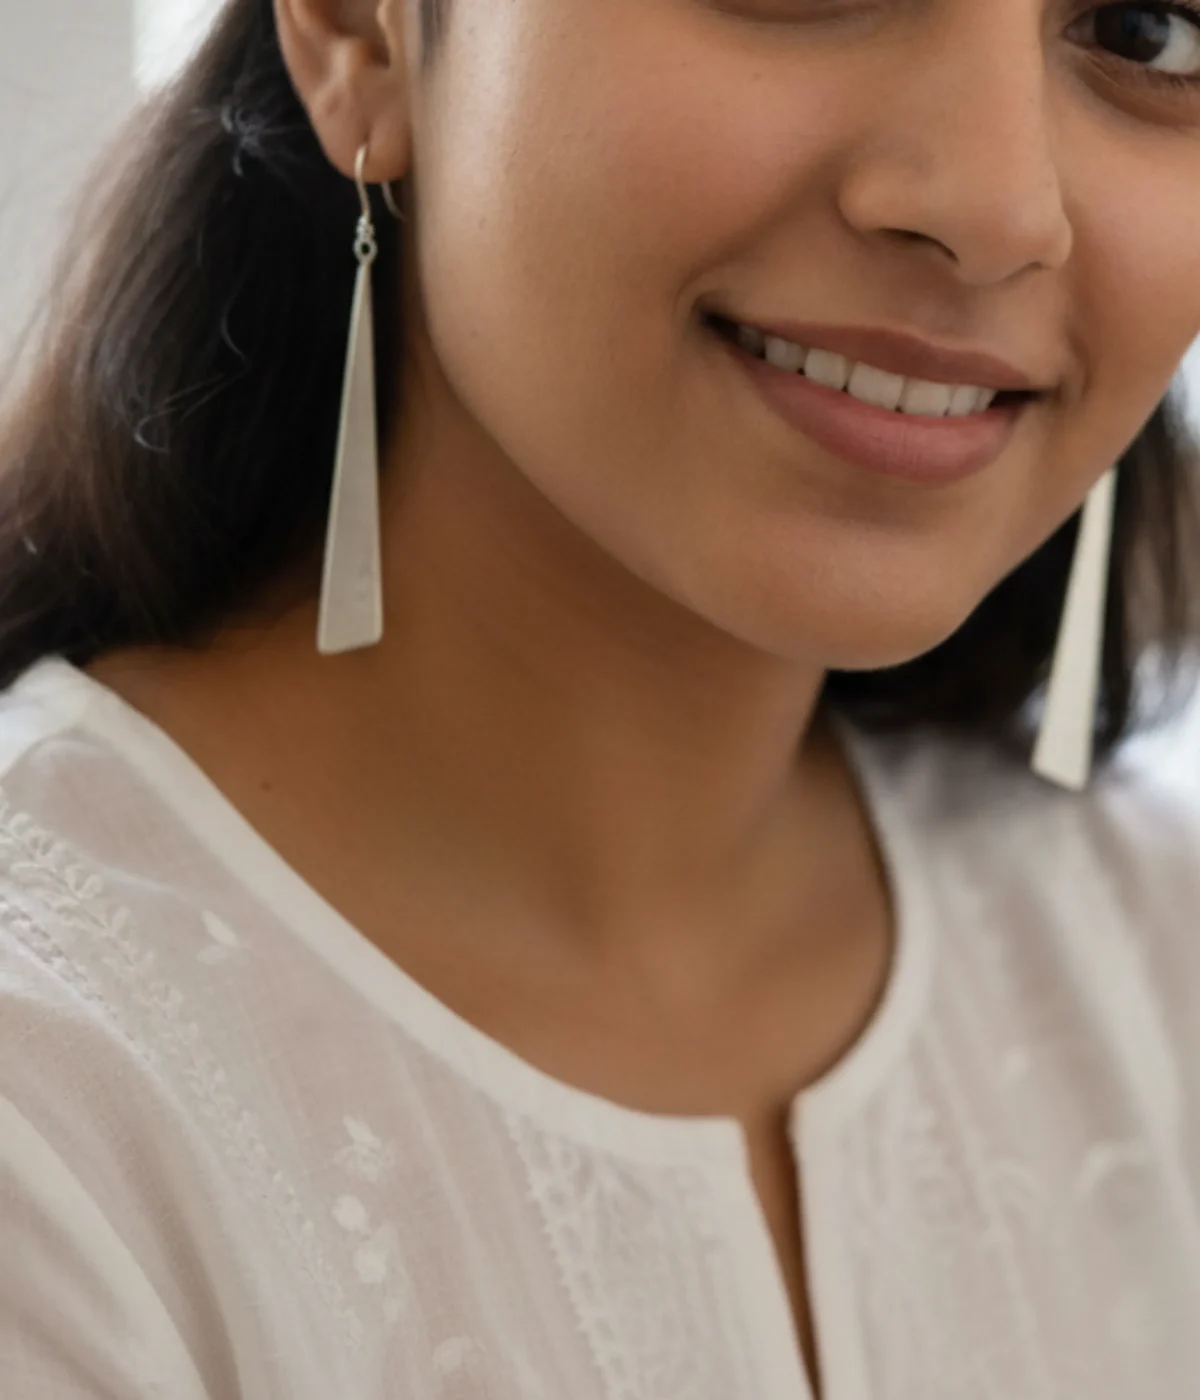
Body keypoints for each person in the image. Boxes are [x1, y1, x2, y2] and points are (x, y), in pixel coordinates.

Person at [1, 0, 1199, 1394]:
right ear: (361, 36)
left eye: (1146, 30)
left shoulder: (1158, 968)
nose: (999, 206)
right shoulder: (52, 1113)